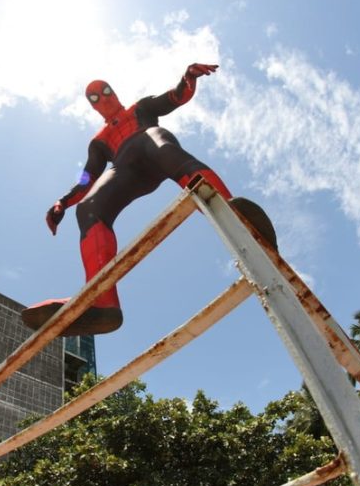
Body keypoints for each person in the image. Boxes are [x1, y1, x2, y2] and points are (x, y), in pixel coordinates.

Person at [22, 63, 277, 337]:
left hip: (149, 142)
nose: (103, 98)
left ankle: (233, 215)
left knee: (163, 148)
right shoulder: (99, 141)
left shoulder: (139, 108)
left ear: (115, 92)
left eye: (105, 90)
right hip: (125, 168)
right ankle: (102, 302)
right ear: (93, 107)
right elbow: (87, 179)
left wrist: (188, 78)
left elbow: (174, 98)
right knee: (88, 209)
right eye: (95, 97)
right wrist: (64, 202)